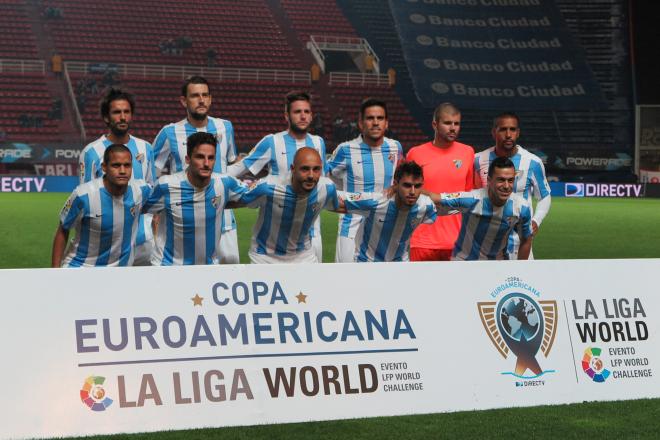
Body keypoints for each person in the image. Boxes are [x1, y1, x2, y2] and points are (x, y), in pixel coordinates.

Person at [227, 90, 328, 261]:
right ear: (286, 116)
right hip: (274, 233)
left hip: (311, 233)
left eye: (306, 112)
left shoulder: (318, 142)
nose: (303, 116)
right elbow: (238, 168)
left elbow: (321, 180)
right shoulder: (272, 142)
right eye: (297, 112)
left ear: (311, 116)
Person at [152, 76, 240, 264]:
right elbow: (152, 172)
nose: (201, 100)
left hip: (224, 221)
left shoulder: (225, 127)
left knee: (227, 280)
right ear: (184, 101)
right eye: (195, 96)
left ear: (210, 98)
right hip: (185, 223)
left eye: (205, 95)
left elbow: (229, 164)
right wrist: (157, 211)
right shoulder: (169, 132)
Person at [144, 132, 247, 266]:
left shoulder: (224, 183)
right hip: (167, 267)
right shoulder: (166, 186)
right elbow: (139, 207)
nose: (206, 163)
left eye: (211, 158)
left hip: (206, 269)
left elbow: (253, 197)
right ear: (188, 159)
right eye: (200, 157)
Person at [79, 88, 155, 265]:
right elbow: (87, 200)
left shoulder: (146, 148)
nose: (122, 117)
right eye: (117, 112)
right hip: (109, 244)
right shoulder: (91, 152)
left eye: (126, 112)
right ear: (106, 117)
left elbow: (152, 193)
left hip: (145, 241)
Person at [327, 97, 404, 263]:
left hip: (384, 226)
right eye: (370, 118)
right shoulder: (345, 150)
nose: (375, 123)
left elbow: (400, 177)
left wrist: (396, 187)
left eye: (380, 118)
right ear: (361, 124)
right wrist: (338, 197)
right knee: (347, 281)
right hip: (352, 226)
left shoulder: (395, 147)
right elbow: (325, 178)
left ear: (386, 123)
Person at [52, 144, 151, 268]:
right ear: (104, 167)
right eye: (116, 165)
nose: (122, 170)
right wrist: (54, 272)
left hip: (120, 271)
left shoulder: (142, 190)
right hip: (81, 267)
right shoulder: (83, 195)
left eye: (127, 165)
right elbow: (63, 229)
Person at [237, 148, 339, 264]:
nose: (311, 175)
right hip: (265, 257)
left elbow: (340, 205)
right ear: (293, 169)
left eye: (316, 169)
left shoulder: (327, 188)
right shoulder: (268, 187)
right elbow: (239, 201)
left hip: (303, 256)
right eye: (305, 169)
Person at [473, 112, 551, 258]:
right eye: (503, 129)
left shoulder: (532, 162)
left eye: (512, 129)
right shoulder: (478, 160)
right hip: (486, 245)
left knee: (521, 281)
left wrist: (536, 221)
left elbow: (545, 196)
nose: (508, 134)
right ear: (493, 132)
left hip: (520, 245)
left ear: (518, 132)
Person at [406, 102, 475, 262]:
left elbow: (468, 195)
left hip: (458, 242)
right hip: (422, 241)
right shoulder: (415, 154)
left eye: (456, 123)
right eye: (447, 123)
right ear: (434, 124)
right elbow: (405, 190)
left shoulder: (467, 152)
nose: (453, 128)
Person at [428, 157, 533, 261]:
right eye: (501, 180)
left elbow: (526, 240)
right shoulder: (471, 199)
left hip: (498, 264)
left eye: (510, 180)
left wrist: (520, 268)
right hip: (464, 263)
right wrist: (414, 191)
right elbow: (436, 198)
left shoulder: (521, 207)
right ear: (489, 180)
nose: (506, 186)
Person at [340, 161, 437, 262]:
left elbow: (449, 202)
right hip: (367, 263)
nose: (413, 192)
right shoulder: (377, 202)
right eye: (407, 185)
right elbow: (337, 201)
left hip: (400, 264)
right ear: (395, 184)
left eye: (417, 186)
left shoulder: (426, 205)